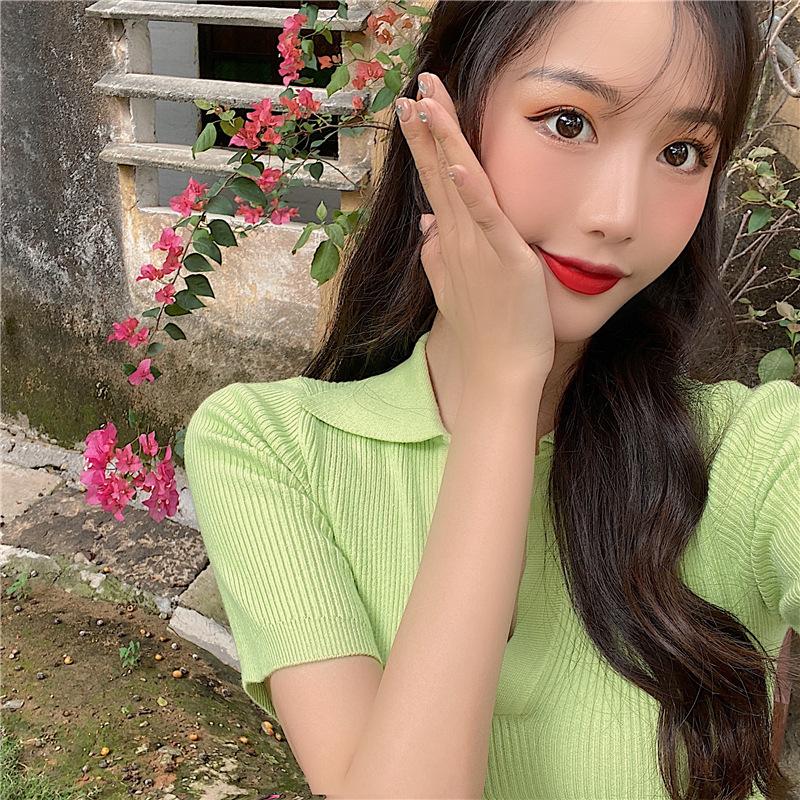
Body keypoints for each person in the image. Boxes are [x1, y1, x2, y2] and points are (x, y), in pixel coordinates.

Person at [183, 2, 800, 798]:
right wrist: (505, 392)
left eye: (682, 151)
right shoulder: (270, 451)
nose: (618, 215)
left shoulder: (756, 453)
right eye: (569, 123)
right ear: (442, 116)